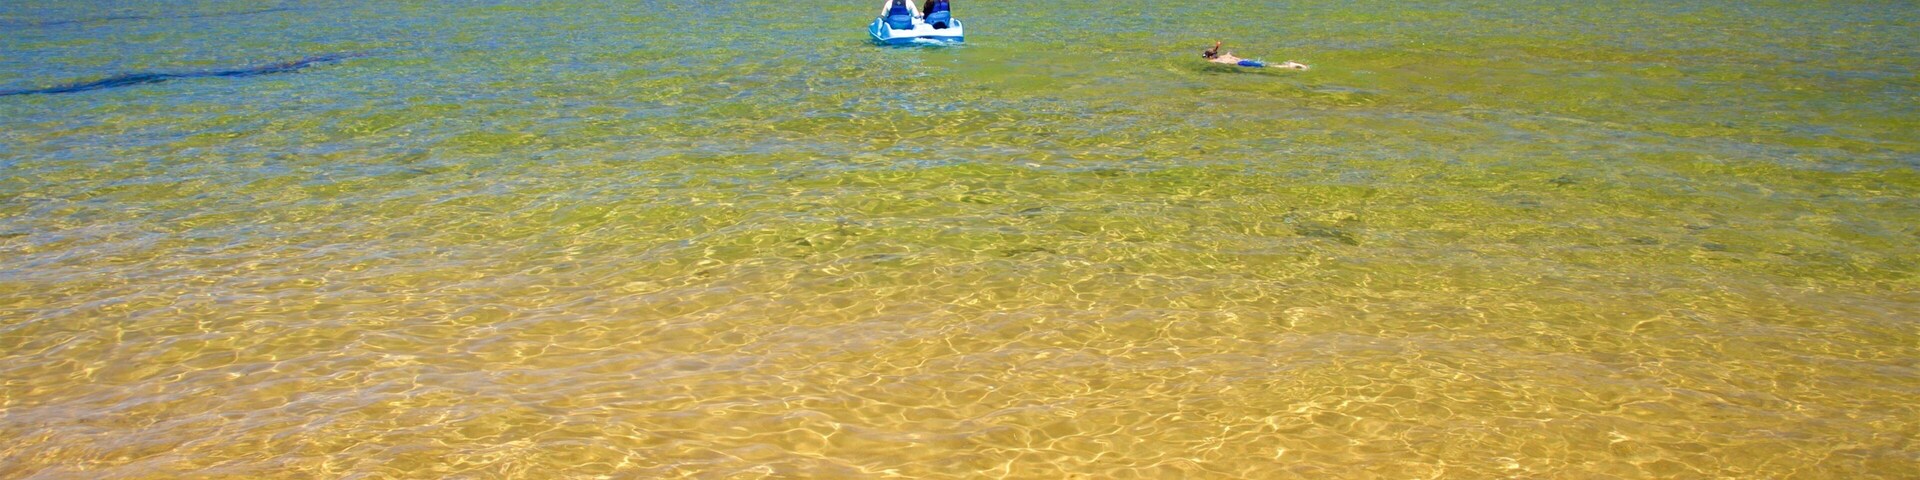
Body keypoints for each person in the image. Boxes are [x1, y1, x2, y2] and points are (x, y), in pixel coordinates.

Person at [1203, 42, 1308, 70]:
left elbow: (1212, 59)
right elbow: (1216, 52)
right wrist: (1217, 46)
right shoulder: (1224, 55)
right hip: (1245, 60)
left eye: (1207, 56)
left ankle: (1291, 66)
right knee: (1266, 64)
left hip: (1242, 63)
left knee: (1269, 66)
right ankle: (1290, 65)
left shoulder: (1214, 60)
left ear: (1210, 57)